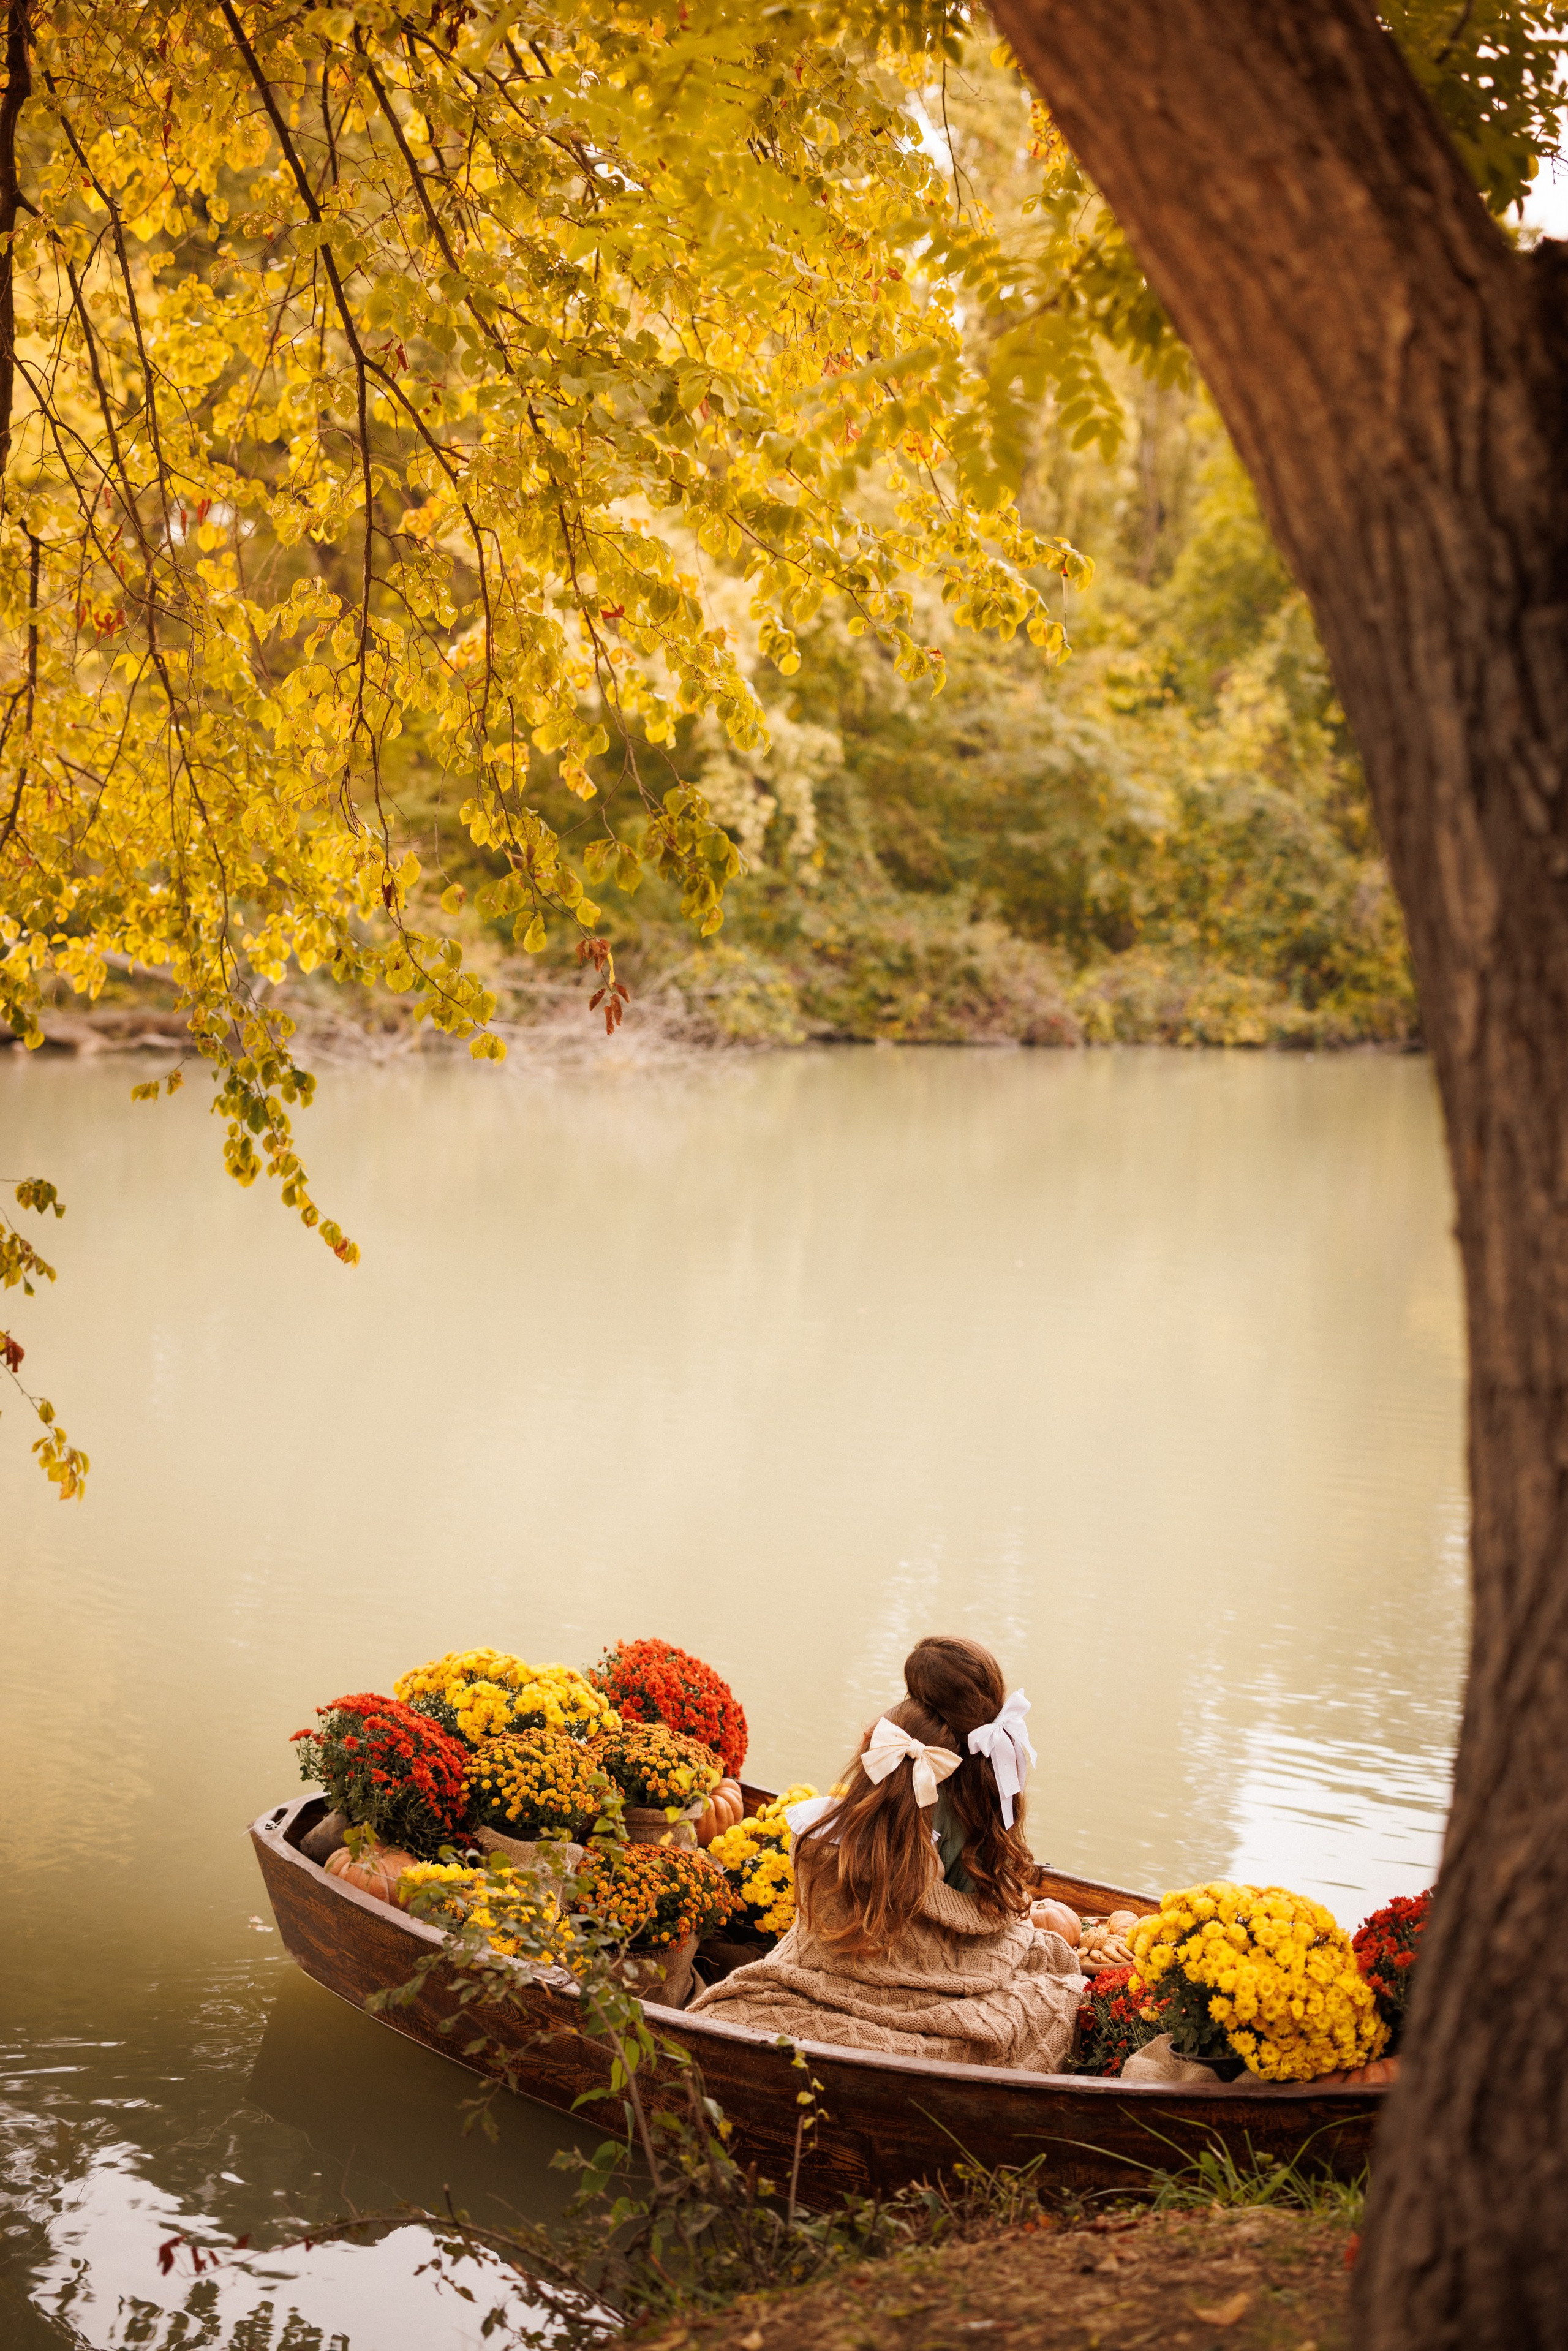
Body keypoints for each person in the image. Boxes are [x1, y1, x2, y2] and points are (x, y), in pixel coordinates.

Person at [688, 1639, 1084, 2070]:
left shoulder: (903, 1755)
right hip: (951, 1962)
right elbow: (982, 1909)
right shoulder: (993, 1772)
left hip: (863, 1958)